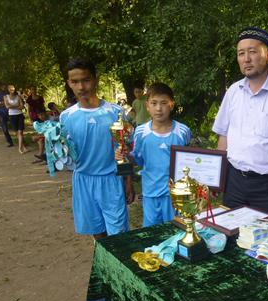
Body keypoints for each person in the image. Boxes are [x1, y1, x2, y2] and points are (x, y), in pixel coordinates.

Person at [212, 27, 268, 222]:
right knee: (232, 239)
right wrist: (216, 179)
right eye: (241, 53)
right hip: (234, 183)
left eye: (253, 52)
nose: (246, 59)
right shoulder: (233, 92)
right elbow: (223, 137)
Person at [60, 57, 135, 239]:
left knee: (118, 236)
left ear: (95, 79)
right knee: (97, 232)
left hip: (111, 180)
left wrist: (128, 181)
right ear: (69, 83)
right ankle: (103, 264)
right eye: (75, 82)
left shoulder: (115, 112)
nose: (80, 87)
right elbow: (65, 153)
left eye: (85, 80)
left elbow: (126, 150)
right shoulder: (66, 117)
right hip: (83, 181)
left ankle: (117, 266)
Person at [130, 82, 191, 227]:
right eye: (154, 103)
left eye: (164, 103)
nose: (158, 108)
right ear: (147, 106)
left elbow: (189, 161)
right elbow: (137, 159)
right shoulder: (140, 132)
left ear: (171, 105)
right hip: (150, 192)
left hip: (176, 194)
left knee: (176, 231)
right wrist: (124, 155)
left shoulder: (183, 131)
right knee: (153, 233)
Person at [3, 84, 28, 154]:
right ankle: (23, 147)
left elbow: (22, 107)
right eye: (11, 89)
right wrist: (17, 105)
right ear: (8, 90)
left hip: (20, 115)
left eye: (13, 89)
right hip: (12, 116)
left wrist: (13, 106)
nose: (12, 91)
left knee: (20, 132)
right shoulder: (5, 97)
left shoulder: (18, 96)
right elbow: (7, 106)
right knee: (17, 133)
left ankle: (20, 148)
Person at [0, 81, 14, 147]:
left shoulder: (6, 93)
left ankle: (21, 141)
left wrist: (1, 103)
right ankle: (10, 142)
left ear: (0, 85)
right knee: (4, 128)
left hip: (10, 111)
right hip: (1, 113)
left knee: (15, 126)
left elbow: (9, 102)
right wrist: (2, 104)